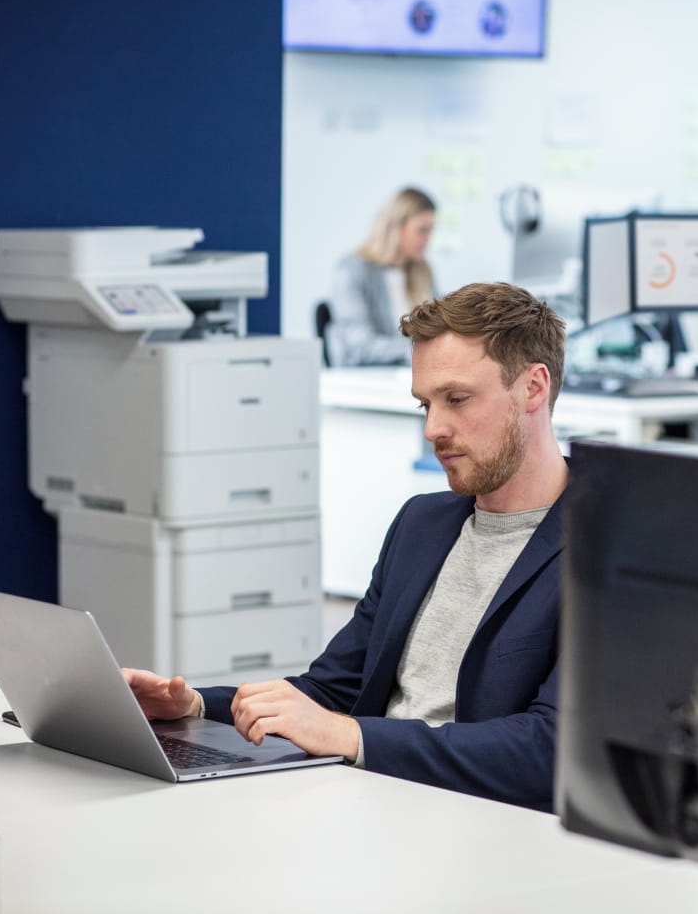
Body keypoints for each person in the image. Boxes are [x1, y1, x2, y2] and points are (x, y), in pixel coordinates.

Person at [124, 282, 570, 812]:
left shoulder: (609, 552)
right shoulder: (421, 524)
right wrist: (193, 707)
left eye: (457, 399)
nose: (433, 428)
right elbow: (332, 692)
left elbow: (550, 750)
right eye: (426, 403)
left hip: (480, 826)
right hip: (374, 801)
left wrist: (353, 738)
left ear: (533, 389)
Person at [326, 186, 437, 366]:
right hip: (366, 376)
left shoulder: (423, 271)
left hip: (408, 374)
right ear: (397, 226)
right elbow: (358, 345)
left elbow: (436, 329)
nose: (428, 240)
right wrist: (415, 350)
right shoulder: (351, 269)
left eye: (431, 231)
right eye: (422, 230)